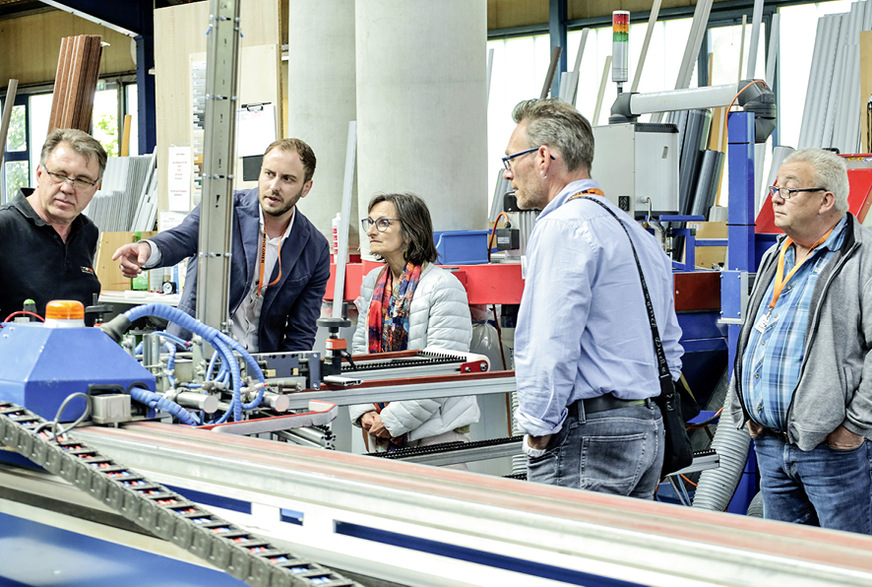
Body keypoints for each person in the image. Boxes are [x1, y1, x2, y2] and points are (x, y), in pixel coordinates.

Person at [505, 98, 683, 498]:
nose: (507, 174)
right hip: (646, 425)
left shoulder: (563, 227)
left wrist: (537, 430)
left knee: (565, 558)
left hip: (589, 436)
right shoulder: (636, 231)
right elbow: (670, 342)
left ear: (543, 158)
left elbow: (550, 344)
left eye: (510, 159)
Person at [726, 148, 872, 534]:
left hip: (832, 450)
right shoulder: (777, 255)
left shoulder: (863, 257)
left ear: (826, 200)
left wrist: (855, 426)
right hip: (771, 444)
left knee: (845, 563)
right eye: (776, 187)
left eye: (790, 190)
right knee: (786, 562)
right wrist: (746, 407)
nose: (776, 197)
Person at [113, 138, 329, 352]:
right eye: (269, 174)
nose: (274, 186)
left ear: (306, 187)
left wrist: (291, 376)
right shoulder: (222, 209)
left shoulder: (314, 248)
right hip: (193, 353)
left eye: (288, 179)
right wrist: (148, 249)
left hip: (259, 366)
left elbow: (302, 330)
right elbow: (183, 237)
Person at [349, 193, 479, 452]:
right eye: (370, 222)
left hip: (437, 431)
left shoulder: (443, 286)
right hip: (379, 425)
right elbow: (360, 353)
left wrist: (393, 420)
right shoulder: (372, 282)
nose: (372, 231)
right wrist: (363, 409)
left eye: (383, 223)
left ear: (410, 232)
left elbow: (443, 370)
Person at [0, 128, 107, 321]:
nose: (67, 188)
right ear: (40, 173)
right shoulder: (4, 227)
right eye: (59, 174)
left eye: (82, 180)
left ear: (96, 187)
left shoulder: (87, 232)